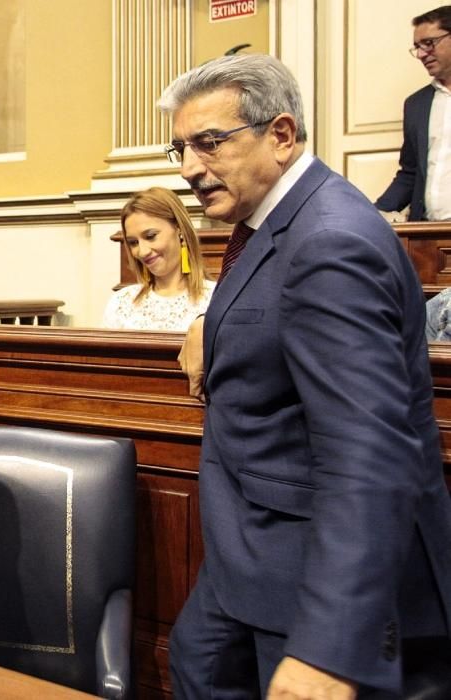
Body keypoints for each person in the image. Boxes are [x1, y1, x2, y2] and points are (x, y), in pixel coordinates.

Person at [162, 54, 451, 697]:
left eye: (210, 143)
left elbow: (369, 455)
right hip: (252, 553)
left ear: (282, 135)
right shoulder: (275, 226)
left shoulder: (331, 241)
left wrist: (331, 648)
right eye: (179, 147)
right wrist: (211, 326)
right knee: (194, 662)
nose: (188, 169)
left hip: (311, 576)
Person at [102, 187, 215, 331]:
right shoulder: (120, 302)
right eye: (133, 242)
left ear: (179, 229)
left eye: (150, 236)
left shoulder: (216, 298)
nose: (142, 252)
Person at [376, 6, 451, 221]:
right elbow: (410, 173)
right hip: (427, 237)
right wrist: (371, 214)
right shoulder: (417, 104)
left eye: (429, 43)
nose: (421, 54)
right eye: (417, 47)